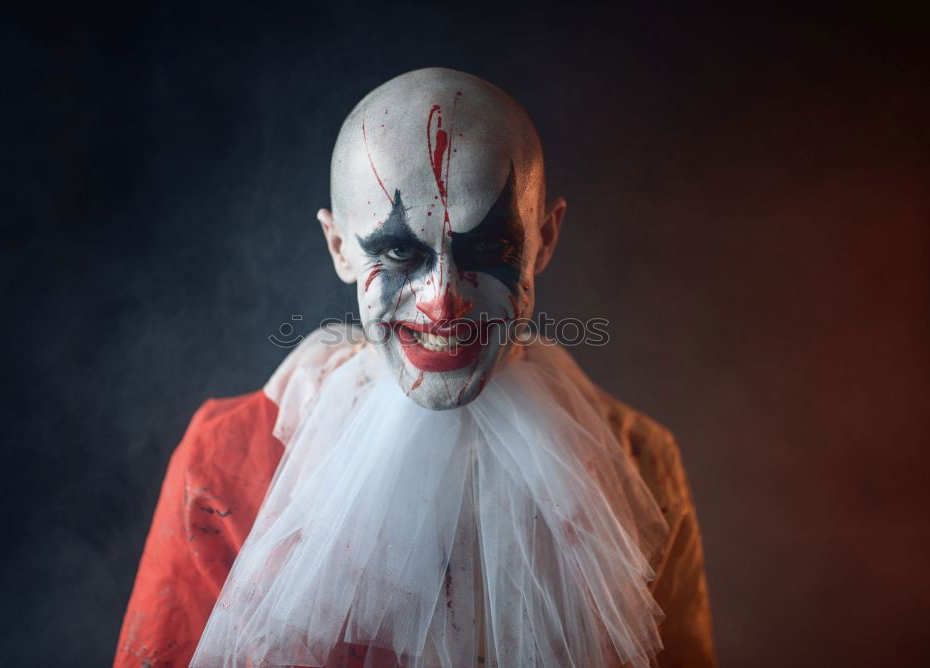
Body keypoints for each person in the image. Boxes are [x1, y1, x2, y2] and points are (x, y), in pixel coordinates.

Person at [115, 67, 717, 668]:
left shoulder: (641, 467)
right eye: (400, 251)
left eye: (489, 249)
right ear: (339, 248)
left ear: (547, 237)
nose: (443, 300)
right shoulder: (224, 459)